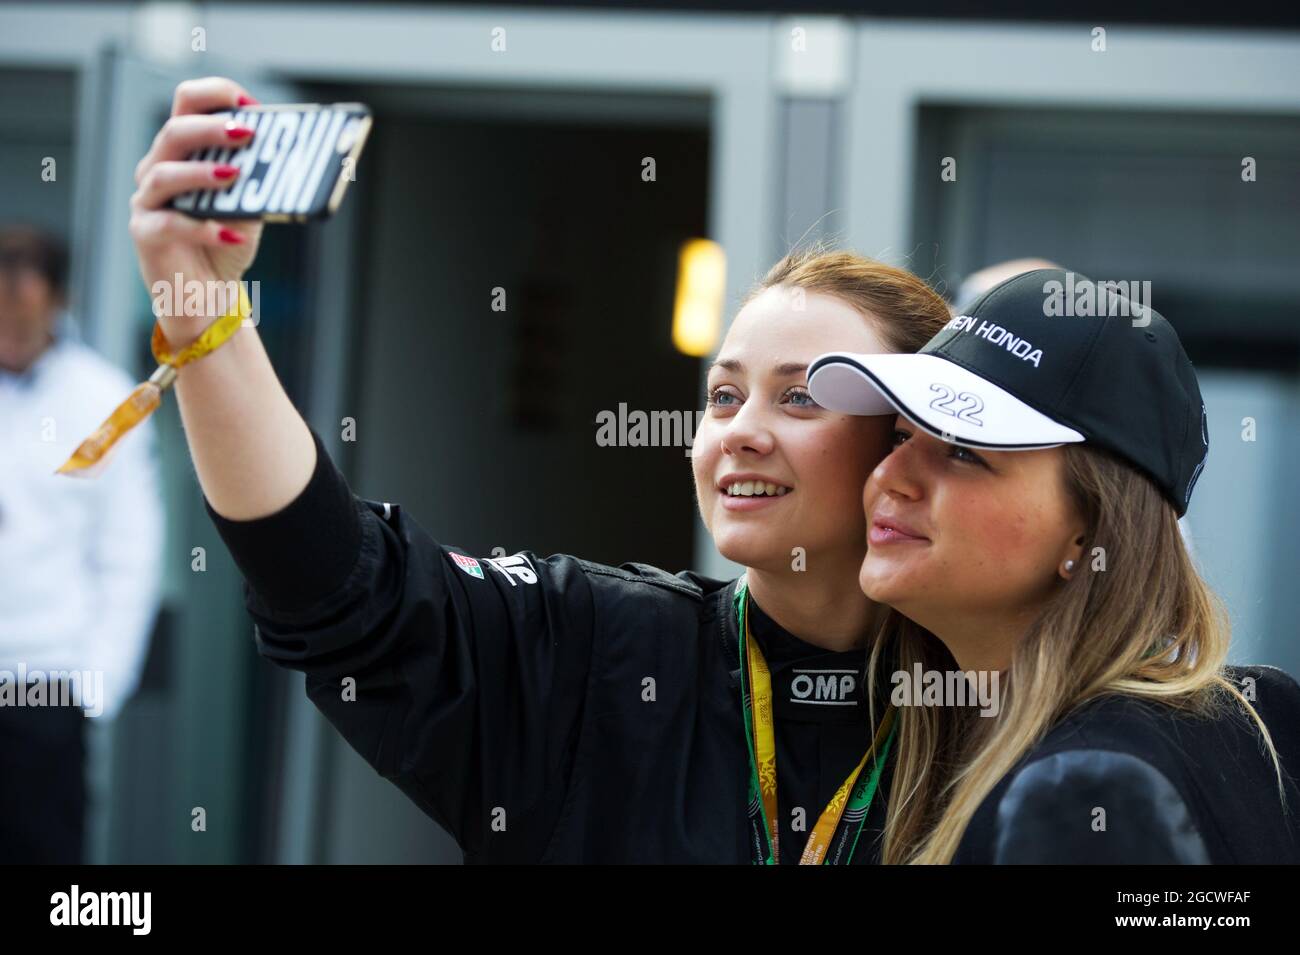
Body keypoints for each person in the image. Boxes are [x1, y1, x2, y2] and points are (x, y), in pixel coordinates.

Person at [127, 76, 953, 863]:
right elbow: (339, 588)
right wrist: (198, 306)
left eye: (801, 400)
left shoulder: (999, 708)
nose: (740, 432)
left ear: (904, 443)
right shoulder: (595, 646)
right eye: (724, 395)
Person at [807, 267, 1300, 863]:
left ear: (1090, 531)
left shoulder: (1082, 789)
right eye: (899, 438)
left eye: (963, 451)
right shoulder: (1251, 725)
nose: (889, 477)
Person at [0, 225, 164, 863]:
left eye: (24, 316)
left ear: (59, 304)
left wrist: (96, 688)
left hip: (43, 686)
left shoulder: (104, 400)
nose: (11, 330)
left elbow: (130, 555)